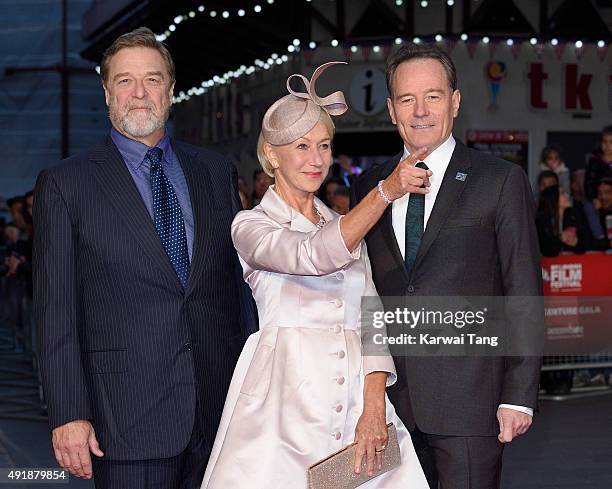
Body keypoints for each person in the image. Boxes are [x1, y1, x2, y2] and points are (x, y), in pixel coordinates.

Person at [33, 27, 255, 489]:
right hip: (124, 418)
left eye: (152, 80)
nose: (139, 93)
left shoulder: (214, 172)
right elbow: (55, 310)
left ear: (171, 91)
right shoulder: (66, 184)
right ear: (107, 92)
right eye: (125, 81)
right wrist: (69, 413)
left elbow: (237, 289)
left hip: (220, 412)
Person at [202, 62, 430, 489]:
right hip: (280, 408)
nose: (316, 159)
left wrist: (374, 406)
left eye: (324, 146)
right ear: (272, 154)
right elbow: (310, 255)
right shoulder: (250, 226)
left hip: (355, 404)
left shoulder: (343, 223)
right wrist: (384, 192)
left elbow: (371, 319)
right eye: (302, 147)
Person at [351, 44, 543, 489]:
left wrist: (519, 394)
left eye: (433, 96)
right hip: (393, 410)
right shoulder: (370, 185)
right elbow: (367, 293)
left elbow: (523, 291)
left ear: (455, 102)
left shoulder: (499, 180)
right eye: (407, 99)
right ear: (391, 110)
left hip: (470, 405)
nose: (420, 111)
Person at [535, 185, 590, 256]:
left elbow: (586, 243)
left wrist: (576, 242)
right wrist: (560, 238)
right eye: (562, 193)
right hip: (546, 264)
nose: (567, 195)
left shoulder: (574, 216)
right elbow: (545, 248)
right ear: (553, 198)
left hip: (570, 263)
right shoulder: (541, 221)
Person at [585, 125, 612, 200]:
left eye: (611, 142)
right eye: (604, 142)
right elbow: (589, 183)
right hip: (598, 198)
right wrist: (594, 198)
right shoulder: (594, 161)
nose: (607, 145)